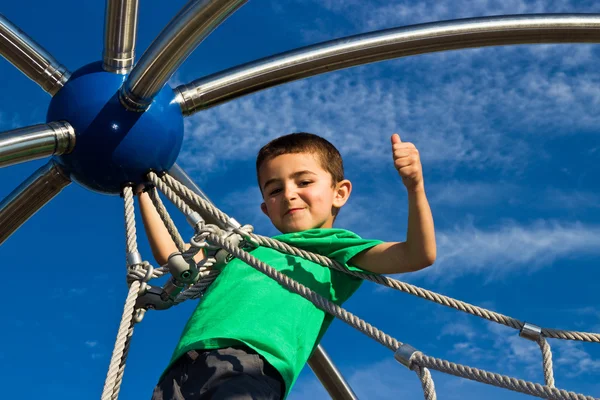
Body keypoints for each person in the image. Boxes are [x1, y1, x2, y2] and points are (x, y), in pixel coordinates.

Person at [141, 132, 436, 399]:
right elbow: (175, 257)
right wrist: (141, 188)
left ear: (340, 193)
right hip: (182, 367)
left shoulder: (336, 247)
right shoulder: (245, 250)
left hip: (251, 363)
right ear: (265, 209)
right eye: (274, 190)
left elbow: (416, 255)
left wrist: (415, 187)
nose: (289, 194)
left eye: (304, 182)